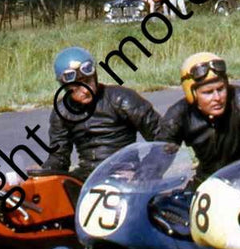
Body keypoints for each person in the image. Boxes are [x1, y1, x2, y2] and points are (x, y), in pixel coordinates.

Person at [40, 47, 160, 181]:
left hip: (126, 174)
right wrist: (41, 175)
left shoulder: (122, 99)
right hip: (87, 178)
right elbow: (59, 157)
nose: (85, 90)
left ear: (95, 76)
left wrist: (145, 171)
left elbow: (162, 135)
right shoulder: (61, 112)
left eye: (88, 81)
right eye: (77, 86)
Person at [157, 52, 240, 188]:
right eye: (208, 92)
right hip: (206, 181)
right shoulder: (178, 116)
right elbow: (156, 160)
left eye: (221, 89)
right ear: (192, 94)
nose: (217, 97)